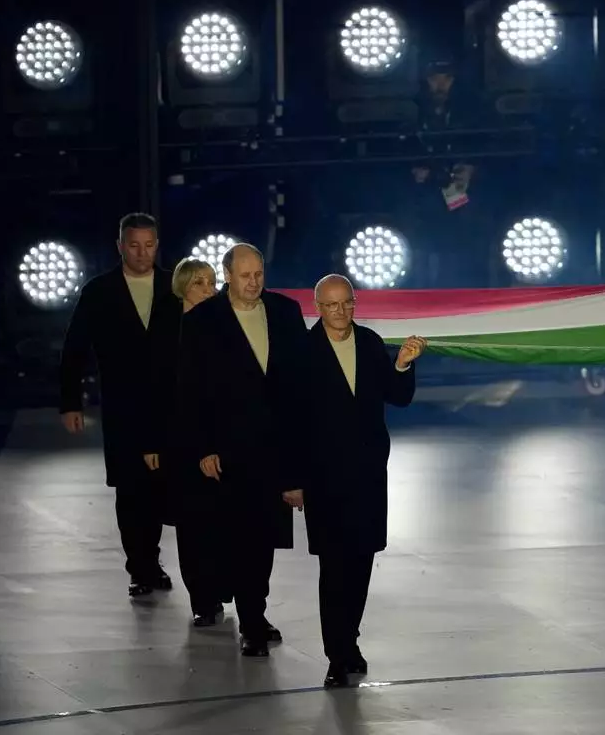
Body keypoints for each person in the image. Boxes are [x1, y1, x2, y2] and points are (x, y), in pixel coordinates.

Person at [177, 244, 309, 657]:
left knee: (265, 536)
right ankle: (252, 620)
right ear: (228, 275)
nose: (253, 282)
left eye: (259, 274)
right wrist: (202, 445)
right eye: (245, 275)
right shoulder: (203, 320)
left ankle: (256, 612)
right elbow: (190, 388)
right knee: (241, 536)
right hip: (229, 447)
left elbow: (301, 384)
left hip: (276, 445)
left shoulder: (286, 313)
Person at [303, 274, 426, 688]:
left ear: (355, 303)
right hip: (323, 477)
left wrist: (403, 363)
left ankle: (349, 642)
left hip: (368, 474)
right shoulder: (303, 351)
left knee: (360, 565)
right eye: (332, 305)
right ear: (318, 307)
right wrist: (291, 479)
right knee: (334, 567)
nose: (341, 312)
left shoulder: (371, 343)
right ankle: (336, 654)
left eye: (347, 304)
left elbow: (399, 396)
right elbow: (289, 420)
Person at [59, 213, 182, 598]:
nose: (142, 252)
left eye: (149, 244)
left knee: (162, 488)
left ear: (157, 245)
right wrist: (70, 402)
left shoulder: (174, 286)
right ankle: (141, 567)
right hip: (123, 407)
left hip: (169, 407)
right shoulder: (100, 290)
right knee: (131, 490)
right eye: (134, 244)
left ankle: (151, 559)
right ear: (120, 246)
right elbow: (74, 349)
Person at [158, 258, 228, 627]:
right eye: (200, 282)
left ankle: (221, 587)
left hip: (220, 439)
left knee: (221, 520)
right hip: (181, 443)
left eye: (213, 281)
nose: (209, 288)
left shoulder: (223, 328)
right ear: (183, 285)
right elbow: (153, 393)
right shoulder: (167, 331)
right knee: (192, 524)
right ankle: (202, 598)